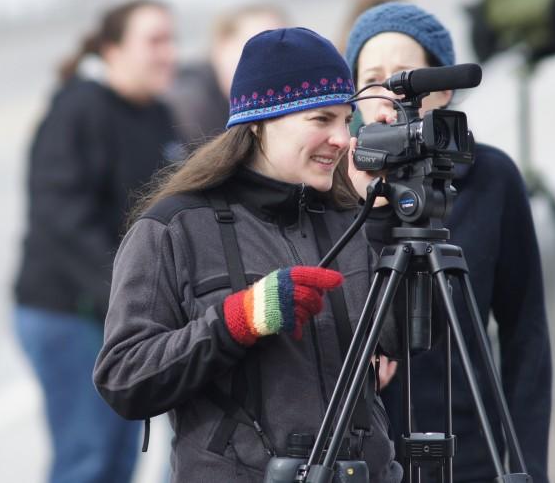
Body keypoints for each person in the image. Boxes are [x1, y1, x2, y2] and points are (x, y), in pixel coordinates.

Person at [94, 27, 403, 483]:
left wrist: (390, 223)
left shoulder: (349, 216)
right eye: (321, 120)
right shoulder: (173, 228)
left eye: (345, 119)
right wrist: (238, 320)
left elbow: (404, 344)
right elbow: (124, 378)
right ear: (258, 122)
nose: (341, 138)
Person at [344, 2, 552, 483]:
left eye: (404, 77)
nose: (388, 95)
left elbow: (527, 333)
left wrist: (529, 465)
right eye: (371, 79)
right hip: (360, 454)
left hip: (472, 452)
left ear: (443, 90)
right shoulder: (334, 182)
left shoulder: (492, 177)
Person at [13, 0, 182, 483]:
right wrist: (131, 298)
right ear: (112, 48)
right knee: (88, 460)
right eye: (154, 41)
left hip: (117, 312)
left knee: (118, 459)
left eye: (171, 40)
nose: (168, 53)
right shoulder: (78, 108)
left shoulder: (156, 114)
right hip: (68, 313)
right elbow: (60, 217)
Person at [165, 4, 287, 146]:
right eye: (257, 47)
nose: (270, 61)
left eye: (281, 51)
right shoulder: (188, 101)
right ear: (222, 45)